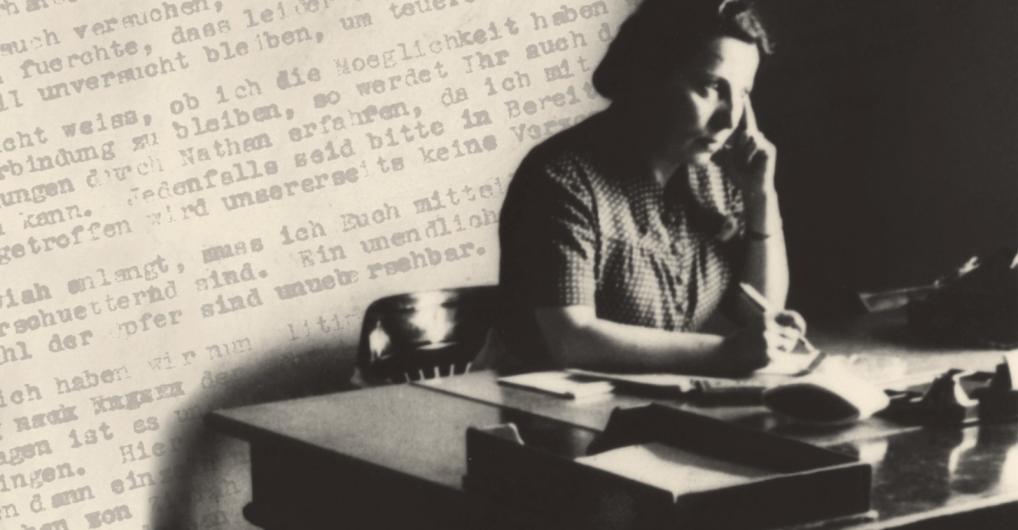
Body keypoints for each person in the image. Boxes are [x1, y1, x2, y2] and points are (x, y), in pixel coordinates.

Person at [497, 0, 806, 375]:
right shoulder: (562, 177)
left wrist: (761, 196)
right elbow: (571, 340)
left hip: (654, 400)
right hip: (532, 403)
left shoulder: (717, 178)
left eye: (742, 93)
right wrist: (724, 352)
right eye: (712, 86)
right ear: (650, 76)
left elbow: (760, 312)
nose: (730, 119)